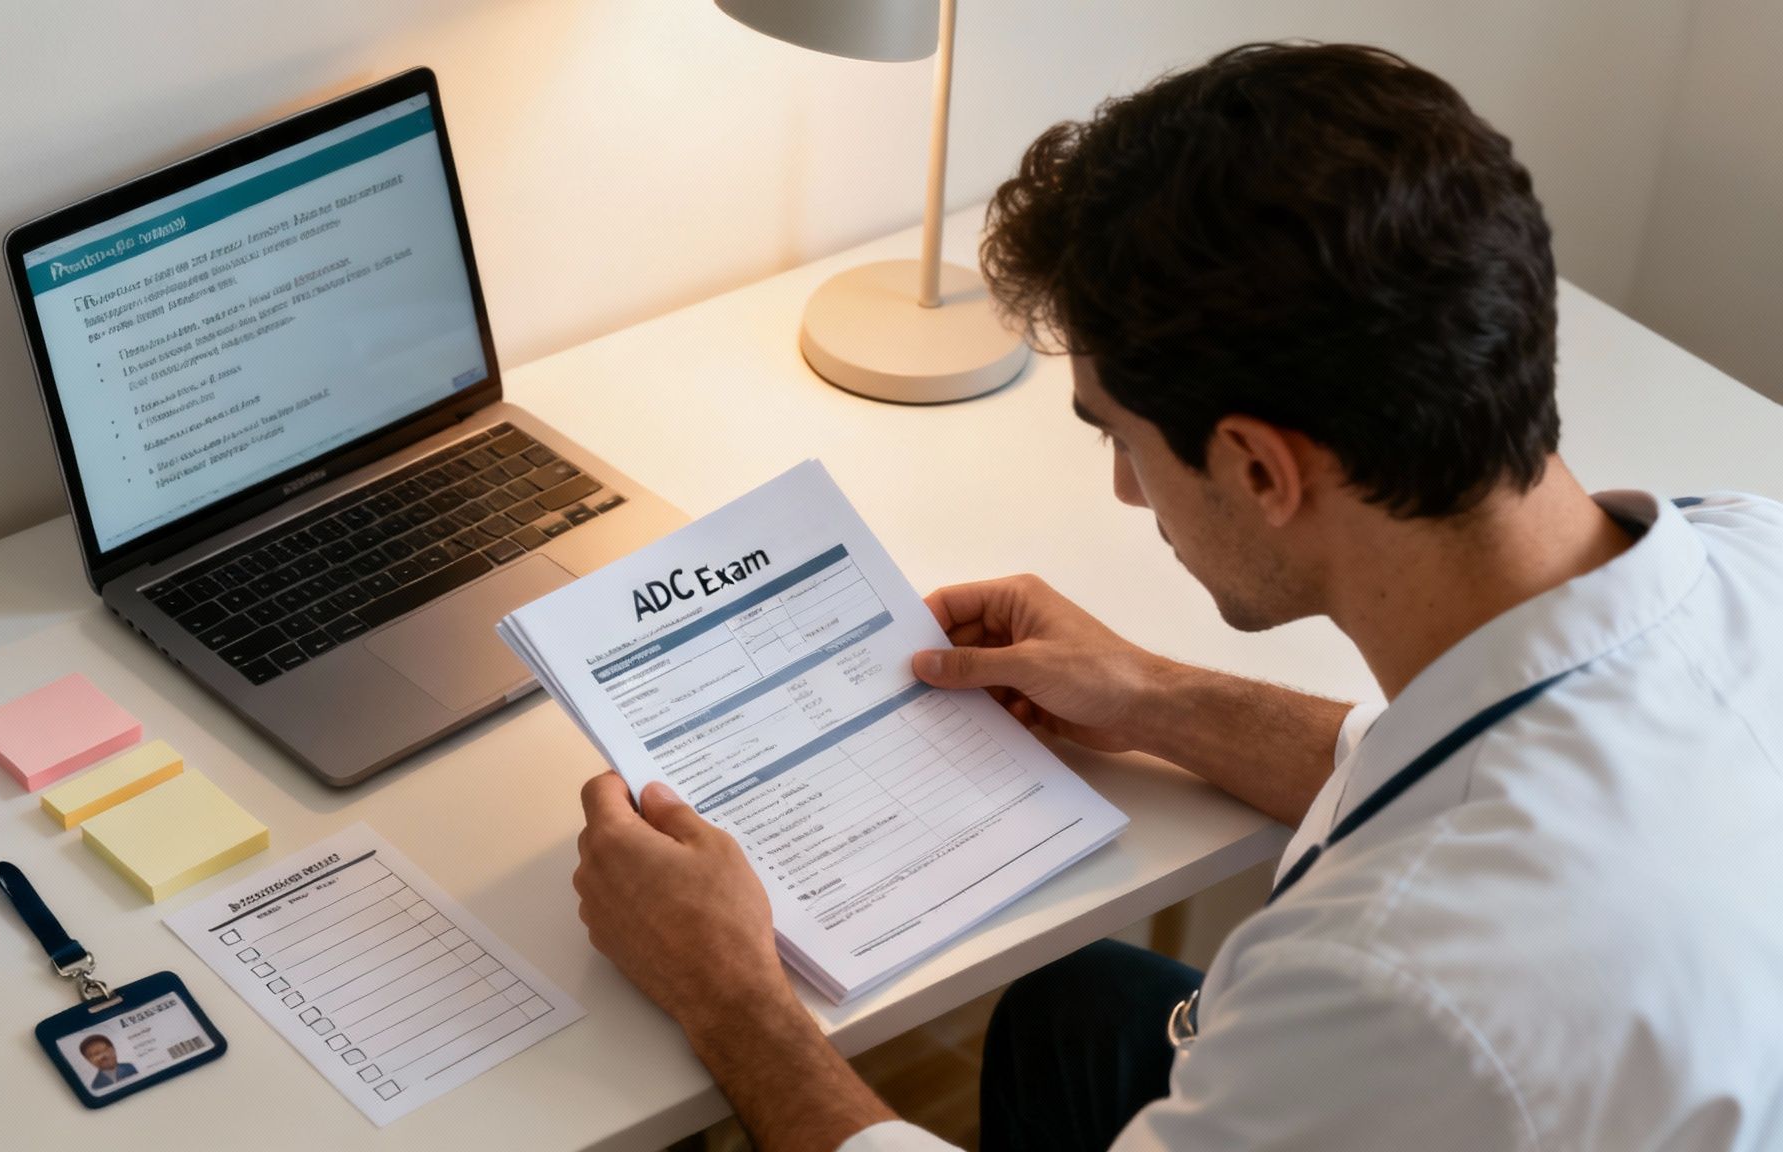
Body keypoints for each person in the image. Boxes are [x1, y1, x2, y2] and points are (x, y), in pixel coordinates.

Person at [571, 41, 1783, 1152]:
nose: (1121, 489)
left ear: (1256, 468)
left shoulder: (1393, 987)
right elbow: (1476, 761)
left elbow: (1436, 914)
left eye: (1121, 438)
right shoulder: (1745, 548)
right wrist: (1153, 698)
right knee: (1075, 1008)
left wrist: (730, 996)